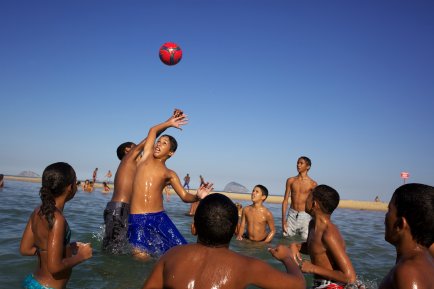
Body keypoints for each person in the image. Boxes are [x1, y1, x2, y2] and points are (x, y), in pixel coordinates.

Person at [143, 193, 305, 289]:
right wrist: (287, 257)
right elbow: (298, 285)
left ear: (194, 228)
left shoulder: (171, 255)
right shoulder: (248, 266)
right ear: (235, 231)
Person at [129, 111, 213, 258]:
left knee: (182, 253)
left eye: (164, 143)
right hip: (138, 218)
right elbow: (153, 130)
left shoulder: (170, 173)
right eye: (158, 142)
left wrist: (197, 196)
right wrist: (169, 123)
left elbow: (184, 196)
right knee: (141, 256)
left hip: (159, 218)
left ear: (171, 153)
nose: (158, 145)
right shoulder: (146, 157)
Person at [102, 109, 183, 254]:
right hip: (119, 209)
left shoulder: (137, 166)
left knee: (122, 249)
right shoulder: (130, 157)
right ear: (128, 150)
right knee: (112, 252)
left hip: (125, 210)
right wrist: (169, 123)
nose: (149, 149)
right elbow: (150, 137)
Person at [20, 162, 92, 289]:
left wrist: (64, 249)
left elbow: (25, 249)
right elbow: (54, 267)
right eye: (76, 182)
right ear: (70, 187)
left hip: (32, 282)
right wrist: (81, 256)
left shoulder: (38, 211)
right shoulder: (58, 219)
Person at [288, 185, 356, 288]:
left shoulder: (329, 234)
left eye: (308, 197)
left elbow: (350, 277)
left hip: (333, 285)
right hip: (320, 284)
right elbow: (316, 249)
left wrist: (312, 268)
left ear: (314, 204)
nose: (305, 201)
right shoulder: (312, 224)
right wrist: (296, 246)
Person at [379, 183, 434, 289]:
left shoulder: (408, 272)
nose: (385, 216)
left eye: (389, 210)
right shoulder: (427, 261)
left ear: (400, 224)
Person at [282, 156, 317, 241]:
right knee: (285, 238)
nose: (298, 165)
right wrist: (283, 220)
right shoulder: (291, 180)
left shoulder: (313, 184)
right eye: (297, 163)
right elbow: (285, 200)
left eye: (301, 163)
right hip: (291, 214)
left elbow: (315, 204)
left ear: (308, 167)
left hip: (305, 215)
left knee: (305, 240)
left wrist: (315, 222)